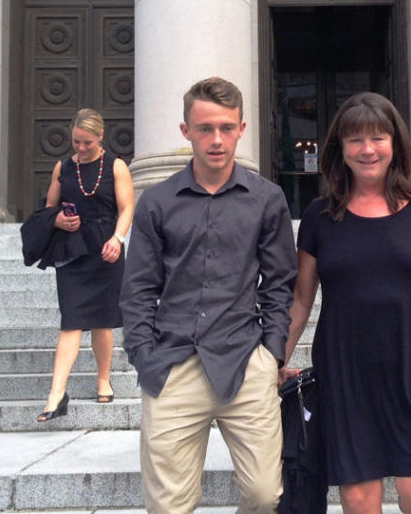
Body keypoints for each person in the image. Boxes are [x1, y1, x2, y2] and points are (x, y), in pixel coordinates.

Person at [279, 92, 411, 514]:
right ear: (339, 149)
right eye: (355, 140)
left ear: (395, 143)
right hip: (347, 368)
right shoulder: (320, 216)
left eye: (377, 138)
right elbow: (301, 300)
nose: (367, 150)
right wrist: (274, 361)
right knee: (359, 498)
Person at [121, 76, 297, 513]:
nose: (216, 140)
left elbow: (279, 284)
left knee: (263, 494)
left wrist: (272, 353)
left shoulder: (266, 199)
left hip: (244, 360)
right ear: (186, 132)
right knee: (168, 505)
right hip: (172, 363)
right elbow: (139, 287)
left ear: (241, 128)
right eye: (204, 129)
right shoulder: (156, 202)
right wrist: (144, 354)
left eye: (226, 128)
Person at [37, 108, 135, 421]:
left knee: (103, 321)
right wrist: (58, 221)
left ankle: (103, 378)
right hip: (72, 250)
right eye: (76, 141)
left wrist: (118, 240)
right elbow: (48, 209)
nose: (80, 148)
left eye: (87, 143)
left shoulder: (116, 167)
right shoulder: (62, 167)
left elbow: (127, 207)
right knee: (71, 321)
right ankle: (56, 393)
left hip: (106, 247)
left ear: (100, 137)